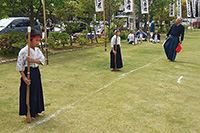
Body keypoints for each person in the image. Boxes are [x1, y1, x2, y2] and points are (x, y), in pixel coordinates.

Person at [16, 29, 45, 120]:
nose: (38, 42)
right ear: (30, 40)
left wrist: (33, 60)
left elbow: (42, 61)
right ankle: (28, 113)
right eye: (36, 40)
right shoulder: (23, 51)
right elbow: (19, 66)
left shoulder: (37, 50)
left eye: (39, 40)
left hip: (36, 72)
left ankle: (36, 111)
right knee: (28, 92)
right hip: (27, 72)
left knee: (36, 91)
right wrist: (24, 78)